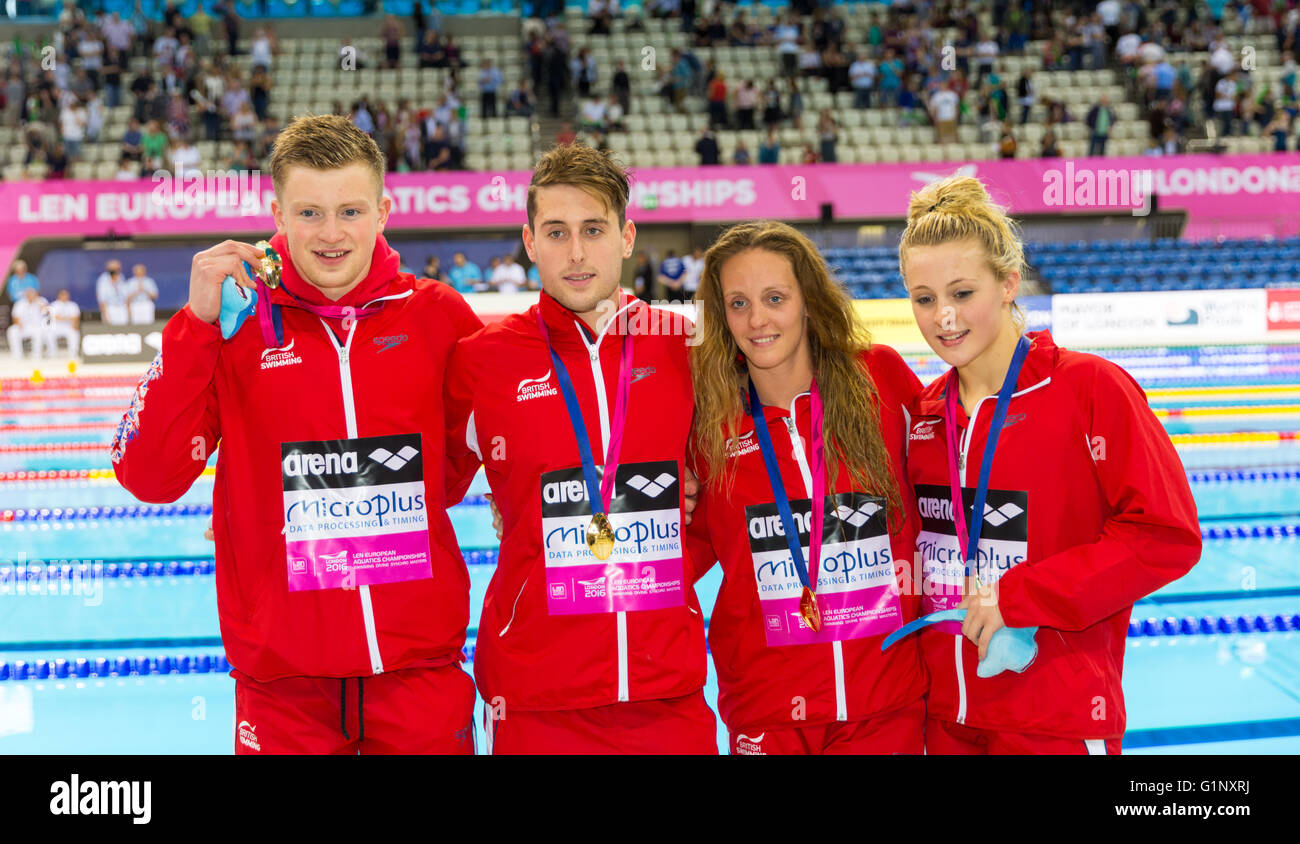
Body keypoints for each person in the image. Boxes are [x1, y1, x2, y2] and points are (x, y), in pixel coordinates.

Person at [111, 114, 484, 754]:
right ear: (278, 213)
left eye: (350, 211)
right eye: (309, 213)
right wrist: (195, 326)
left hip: (418, 674)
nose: (331, 234)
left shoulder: (437, 316)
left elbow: (475, 454)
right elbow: (147, 475)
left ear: (384, 211)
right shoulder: (232, 326)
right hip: (282, 688)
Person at [897, 175, 1200, 754]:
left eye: (962, 293)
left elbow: (1166, 536)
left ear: (1009, 283)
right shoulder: (925, 414)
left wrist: (1021, 596)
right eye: (924, 297)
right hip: (945, 716)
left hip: (1051, 716)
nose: (944, 318)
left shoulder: (1088, 389)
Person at [443, 143, 714, 754]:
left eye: (593, 230)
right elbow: (423, 486)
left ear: (626, 236)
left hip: (666, 687)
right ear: (529, 241)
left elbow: (731, 484)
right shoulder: (482, 360)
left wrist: (656, 577)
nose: (575, 252)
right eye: (556, 232)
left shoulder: (683, 347)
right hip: (536, 691)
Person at [685, 221, 925, 754]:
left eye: (775, 298)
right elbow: (681, 548)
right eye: (739, 303)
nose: (758, 319)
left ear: (809, 301)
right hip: (768, 708)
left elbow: (956, 471)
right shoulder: (711, 426)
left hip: (886, 706)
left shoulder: (879, 380)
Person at [6, 287, 47, 359]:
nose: (30, 295)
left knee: (39, 332)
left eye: (32, 294)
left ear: (35, 294)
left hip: (37, 326)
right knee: (12, 331)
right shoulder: (19, 303)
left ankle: (36, 355)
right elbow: (15, 316)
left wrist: (37, 300)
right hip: (23, 326)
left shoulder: (41, 301)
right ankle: (17, 355)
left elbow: (46, 312)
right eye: (28, 294)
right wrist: (18, 324)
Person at [46, 288, 81, 356]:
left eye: (66, 295)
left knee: (74, 333)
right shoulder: (54, 304)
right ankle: (52, 353)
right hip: (56, 326)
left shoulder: (73, 305)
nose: (65, 296)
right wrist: (68, 318)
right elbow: (52, 317)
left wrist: (74, 324)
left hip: (69, 326)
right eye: (63, 295)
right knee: (48, 332)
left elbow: (76, 318)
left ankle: (73, 353)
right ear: (59, 296)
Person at [96, 260, 130, 325]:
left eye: (118, 267)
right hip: (110, 308)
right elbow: (101, 299)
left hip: (122, 308)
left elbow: (126, 296)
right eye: (115, 267)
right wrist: (105, 314)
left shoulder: (121, 277)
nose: (118, 269)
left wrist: (128, 311)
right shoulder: (103, 279)